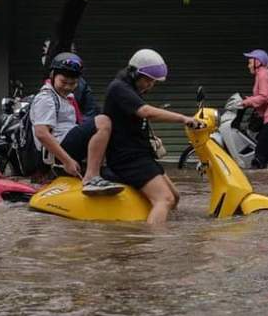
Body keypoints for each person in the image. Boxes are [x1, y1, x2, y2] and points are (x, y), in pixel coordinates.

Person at [103, 49, 205, 225]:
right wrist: (183, 118)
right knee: (164, 199)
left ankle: (163, 226)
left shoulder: (132, 90)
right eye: (148, 80)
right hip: (127, 158)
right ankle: (153, 244)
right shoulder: (119, 88)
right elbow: (146, 112)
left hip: (141, 154)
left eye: (153, 82)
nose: (150, 85)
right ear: (134, 73)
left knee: (175, 196)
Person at [30, 52, 123, 195]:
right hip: (60, 150)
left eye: (72, 83)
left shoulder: (67, 97)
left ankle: (97, 173)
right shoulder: (46, 98)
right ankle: (91, 177)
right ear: (53, 75)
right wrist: (67, 161)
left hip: (69, 145)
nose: (67, 87)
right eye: (63, 82)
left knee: (117, 174)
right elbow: (41, 133)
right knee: (103, 121)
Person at [239, 50, 268, 169]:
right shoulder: (264, 73)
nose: (248, 66)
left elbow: (263, 97)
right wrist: (249, 99)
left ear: (257, 62)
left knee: (259, 157)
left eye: (249, 62)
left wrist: (246, 102)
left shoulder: (262, 75)